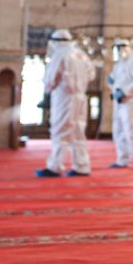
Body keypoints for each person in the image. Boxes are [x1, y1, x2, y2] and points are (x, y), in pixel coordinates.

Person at [36, 29, 95, 177]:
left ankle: (55, 166)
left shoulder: (60, 54)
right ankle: (82, 166)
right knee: (78, 132)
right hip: (80, 97)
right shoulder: (82, 55)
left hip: (64, 97)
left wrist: (48, 92)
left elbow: (51, 79)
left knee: (60, 131)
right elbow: (91, 75)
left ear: (56, 42)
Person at [107, 38, 133, 168]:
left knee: (131, 130)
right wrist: (113, 88)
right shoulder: (118, 65)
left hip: (130, 100)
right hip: (118, 101)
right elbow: (114, 81)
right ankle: (122, 159)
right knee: (118, 130)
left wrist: (125, 92)